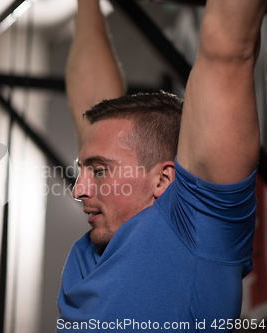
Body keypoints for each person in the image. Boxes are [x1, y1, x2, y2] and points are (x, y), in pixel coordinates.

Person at [57, 0, 267, 332]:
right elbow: (91, 100)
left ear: (162, 179)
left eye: (99, 171)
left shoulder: (197, 228)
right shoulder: (100, 240)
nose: (78, 189)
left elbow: (228, 53)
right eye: (84, 169)